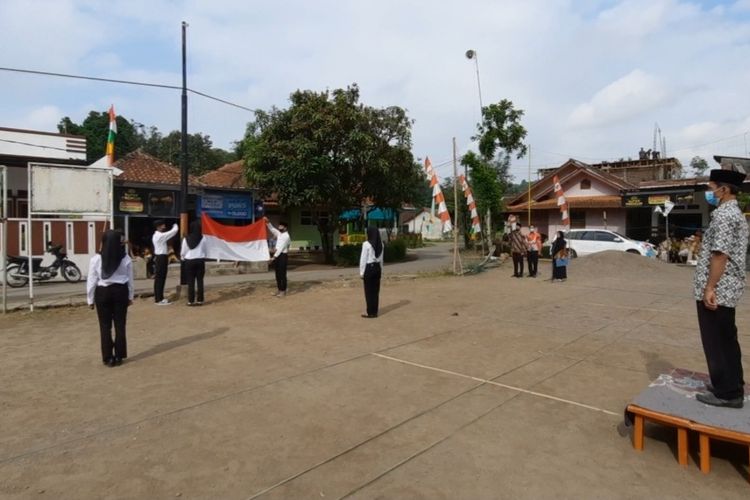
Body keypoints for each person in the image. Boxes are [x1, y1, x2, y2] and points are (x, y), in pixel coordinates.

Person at [694, 169, 748, 409]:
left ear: (723, 190)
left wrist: (709, 288)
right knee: (726, 339)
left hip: (720, 288)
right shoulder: (733, 213)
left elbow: (720, 255)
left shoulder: (725, 215)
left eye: (711, 187)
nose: (709, 192)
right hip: (726, 287)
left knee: (716, 341)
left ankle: (727, 393)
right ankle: (732, 385)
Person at [86, 230, 133, 367]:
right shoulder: (125, 258)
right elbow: (130, 280)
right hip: (120, 292)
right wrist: (130, 296)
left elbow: (91, 280)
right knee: (120, 324)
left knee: (105, 326)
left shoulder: (96, 259)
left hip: (102, 292)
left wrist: (90, 299)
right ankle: (119, 355)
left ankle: (107, 357)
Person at [359, 227, 385, 318]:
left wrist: (362, 272)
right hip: (377, 268)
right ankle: (375, 311)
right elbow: (381, 259)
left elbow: (363, 259)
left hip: (369, 268)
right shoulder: (381, 244)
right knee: (375, 291)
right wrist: (380, 269)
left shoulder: (366, 244)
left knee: (369, 291)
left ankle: (370, 312)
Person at [152, 219, 178, 305]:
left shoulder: (156, 235)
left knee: (159, 278)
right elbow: (173, 232)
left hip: (160, 257)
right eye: (162, 225)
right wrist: (175, 224)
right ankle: (159, 299)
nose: (164, 226)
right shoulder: (160, 236)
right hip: (161, 257)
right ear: (158, 226)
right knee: (160, 278)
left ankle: (159, 298)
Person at [181, 220, 206, 306]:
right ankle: (200, 300)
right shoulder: (203, 238)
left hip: (189, 261)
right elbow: (205, 249)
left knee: (190, 281)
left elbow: (183, 251)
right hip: (200, 260)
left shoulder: (186, 239)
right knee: (200, 281)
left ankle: (191, 301)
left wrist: (183, 257)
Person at [266, 219, 291, 297]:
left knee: (282, 274)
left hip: (282, 256)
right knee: (277, 274)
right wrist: (267, 222)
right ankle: (279, 290)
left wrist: (273, 258)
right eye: (279, 225)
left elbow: (280, 249)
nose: (279, 227)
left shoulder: (286, 236)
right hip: (277, 256)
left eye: (281, 226)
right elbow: (272, 229)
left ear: (285, 227)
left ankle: (283, 291)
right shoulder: (279, 234)